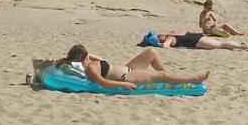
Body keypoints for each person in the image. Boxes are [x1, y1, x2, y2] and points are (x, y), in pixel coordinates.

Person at [56, 44, 209, 89]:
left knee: (151, 52)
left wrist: (89, 56)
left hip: (128, 67)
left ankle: (173, 80)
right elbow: (103, 83)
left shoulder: (91, 62)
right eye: (87, 55)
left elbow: (102, 59)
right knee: (161, 76)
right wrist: (123, 84)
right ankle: (195, 79)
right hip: (127, 76)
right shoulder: (90, 68)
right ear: (82, 58)